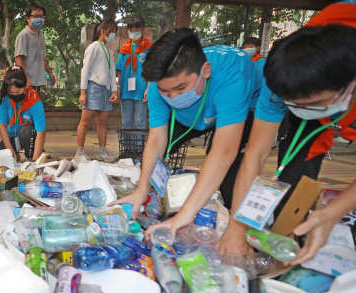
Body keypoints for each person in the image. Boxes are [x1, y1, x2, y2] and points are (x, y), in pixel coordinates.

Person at [219, 2, 356, 265]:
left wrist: (332, 213)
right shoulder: (285, 74)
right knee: (296, 176)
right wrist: (236, 227)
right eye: (290, 104)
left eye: (312, 104)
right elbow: (256, 154)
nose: (300, 110)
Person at [111, 29, 262, 237]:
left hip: (238, 113)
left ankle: (234, 230)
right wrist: (141, 189)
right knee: (153, 166)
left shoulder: (233, 74)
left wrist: (186, 215)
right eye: (166, 91)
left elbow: (223, 151)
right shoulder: (160, 85)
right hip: (189, 116)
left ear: (205, 71)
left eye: (180, 88)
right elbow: (156, 138)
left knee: (230, 178)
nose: (172, 96)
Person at [75, 19, 119, 161]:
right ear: (102, 31)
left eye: (114, 33)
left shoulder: (108, 50)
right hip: (93, 87)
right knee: (85, 121)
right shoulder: (94, 47)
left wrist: (114, 90)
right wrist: (83, 91)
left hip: (105, 90)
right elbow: (85, 70)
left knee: (103, 123)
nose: (113, 35)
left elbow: (112, 72)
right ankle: (80, 153)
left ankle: (102, 151)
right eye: (111, 32)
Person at [0, 66, 47, 161]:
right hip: (11, 136)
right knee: (0, 159)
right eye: (12, 92)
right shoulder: (3, 98)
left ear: (25, 87)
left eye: (18, 92)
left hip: (29, 136)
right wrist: (9, 150)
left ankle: (31, 155)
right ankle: (16, 153)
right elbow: (2, 125)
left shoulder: (34, 99)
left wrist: (34, 162)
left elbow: (41, 132)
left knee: (28, 131)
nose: (15, 95)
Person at [116, 16, 153, 139]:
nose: (134, 31)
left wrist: (148, 88)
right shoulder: (124, 49)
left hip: (141, 91)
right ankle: (126, 152)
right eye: (131, 29)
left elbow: (151, 70)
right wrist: (118, 88)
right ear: (128, 30)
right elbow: (119, 70)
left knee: (140, 122)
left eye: (137, 28)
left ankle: (137, 153)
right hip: (126, 91)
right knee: (126, 122)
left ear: (142, 29)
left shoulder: (149, 47)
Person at [14, 2, 56, 92]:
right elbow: (18, 60)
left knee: (35, 106)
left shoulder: (40, 35)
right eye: (36, 16)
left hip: (37, 83)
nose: (39, 19)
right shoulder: (23, 35)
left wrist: (50, 74)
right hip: (26, 84)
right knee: (26, 106)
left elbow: (43, 58)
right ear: (28, 18)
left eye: (41, 16)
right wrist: (26, 80)